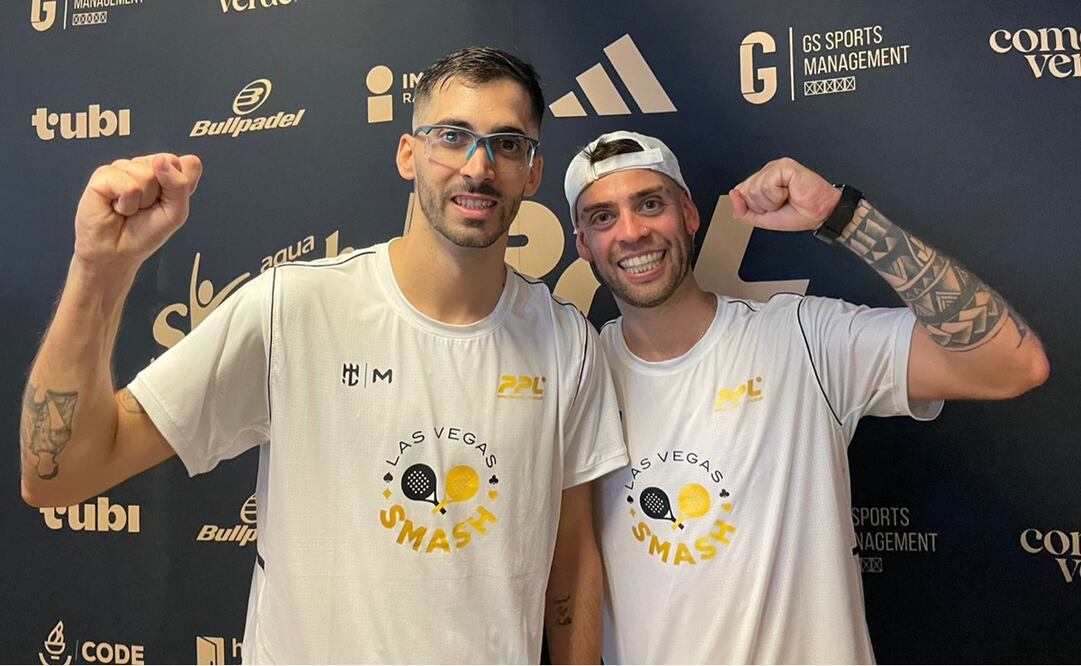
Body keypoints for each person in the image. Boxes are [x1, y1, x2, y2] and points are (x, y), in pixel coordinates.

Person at [20, 48, 628, 664]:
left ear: (531, 171)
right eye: (452, 136)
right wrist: (99, 270)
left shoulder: (568, 343)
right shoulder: (293, 308)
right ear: (408, 153)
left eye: (506, 143)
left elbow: (572, 558)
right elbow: (62, 473)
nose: (478, 166)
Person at [564, 130, 1049, 663]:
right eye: (603, 217)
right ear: (584, 243)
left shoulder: (803, 337)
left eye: (649, 204)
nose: (631, 232)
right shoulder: (577, 378)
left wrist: (843, 216)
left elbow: (1013, 364)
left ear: (689, 213)